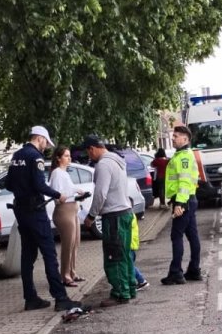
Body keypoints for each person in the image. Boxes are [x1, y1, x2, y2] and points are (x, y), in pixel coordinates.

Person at [7, 125, 85, 317]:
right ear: (40, 138)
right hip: (35, 211)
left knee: (28, 256)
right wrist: (58, 194)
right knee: (49, 254)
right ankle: (61, 298)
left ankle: (31, 298)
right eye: (45, 143)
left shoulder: (16, 155)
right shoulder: (35, 157)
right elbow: (40, 185)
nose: (46, 147)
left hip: (20, 210)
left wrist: (22, 191)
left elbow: (8, 183)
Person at [80, 134, 137, 306]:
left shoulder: (103, 164)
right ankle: (130, 288)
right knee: (125, 255)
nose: (89, 157)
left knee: (114, 256)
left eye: (88, 153)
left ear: (92, 148)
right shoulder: (118, 161)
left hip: (114, 217)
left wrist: (91, 216)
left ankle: (120, 293)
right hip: (125, 212)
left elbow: (100, 193)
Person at [162, 124, 202, 285]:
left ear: (185, 139)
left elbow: (184, 182)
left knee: (176, 236)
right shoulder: (182, 155)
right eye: (173, 136)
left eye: (176, 136)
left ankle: (176, 272)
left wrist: (179, 203)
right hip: (188, 200)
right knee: (192, 236)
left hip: (183, 201)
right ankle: (194, 270)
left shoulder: (184, 156)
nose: (173, 138)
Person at [48, 146, 87, 286]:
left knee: (75, 243)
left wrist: (78, 195)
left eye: (69, 155)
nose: (69, 158)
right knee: (68, 244)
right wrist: (72, 195)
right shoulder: (57, 173)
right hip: (64, 211)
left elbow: (69, 191)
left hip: (73, 209)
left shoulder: (65, 173)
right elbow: (58, 196)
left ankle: (72, 272)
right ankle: (65, 275)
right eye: (66, 156)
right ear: (58, 158)